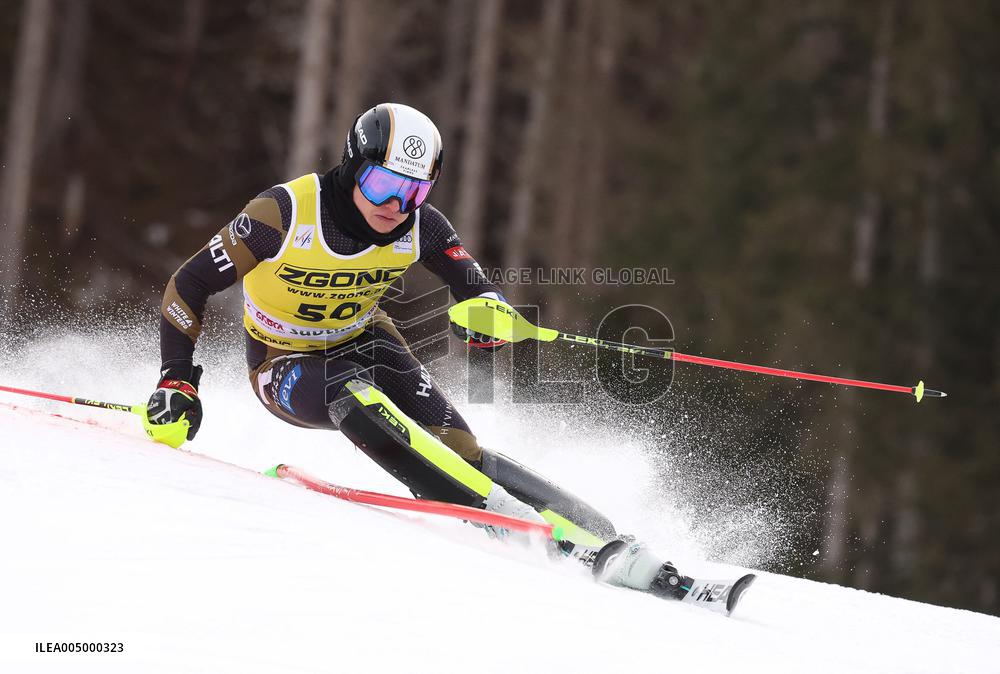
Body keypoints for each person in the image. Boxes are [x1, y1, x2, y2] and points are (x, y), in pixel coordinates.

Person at [145, 102, 619, 554]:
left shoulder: (424, 227)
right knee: (349, 390)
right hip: (281, 360)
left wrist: (488, 320)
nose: (395, 205)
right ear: (354, 167)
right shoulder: (283, 214)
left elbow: (478, 293)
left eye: (413, 192)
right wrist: (177, 378)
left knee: (459, 448)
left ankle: (593, 530)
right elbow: (189, 282)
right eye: (381, 185)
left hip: (367, 340)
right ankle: (492, 517)